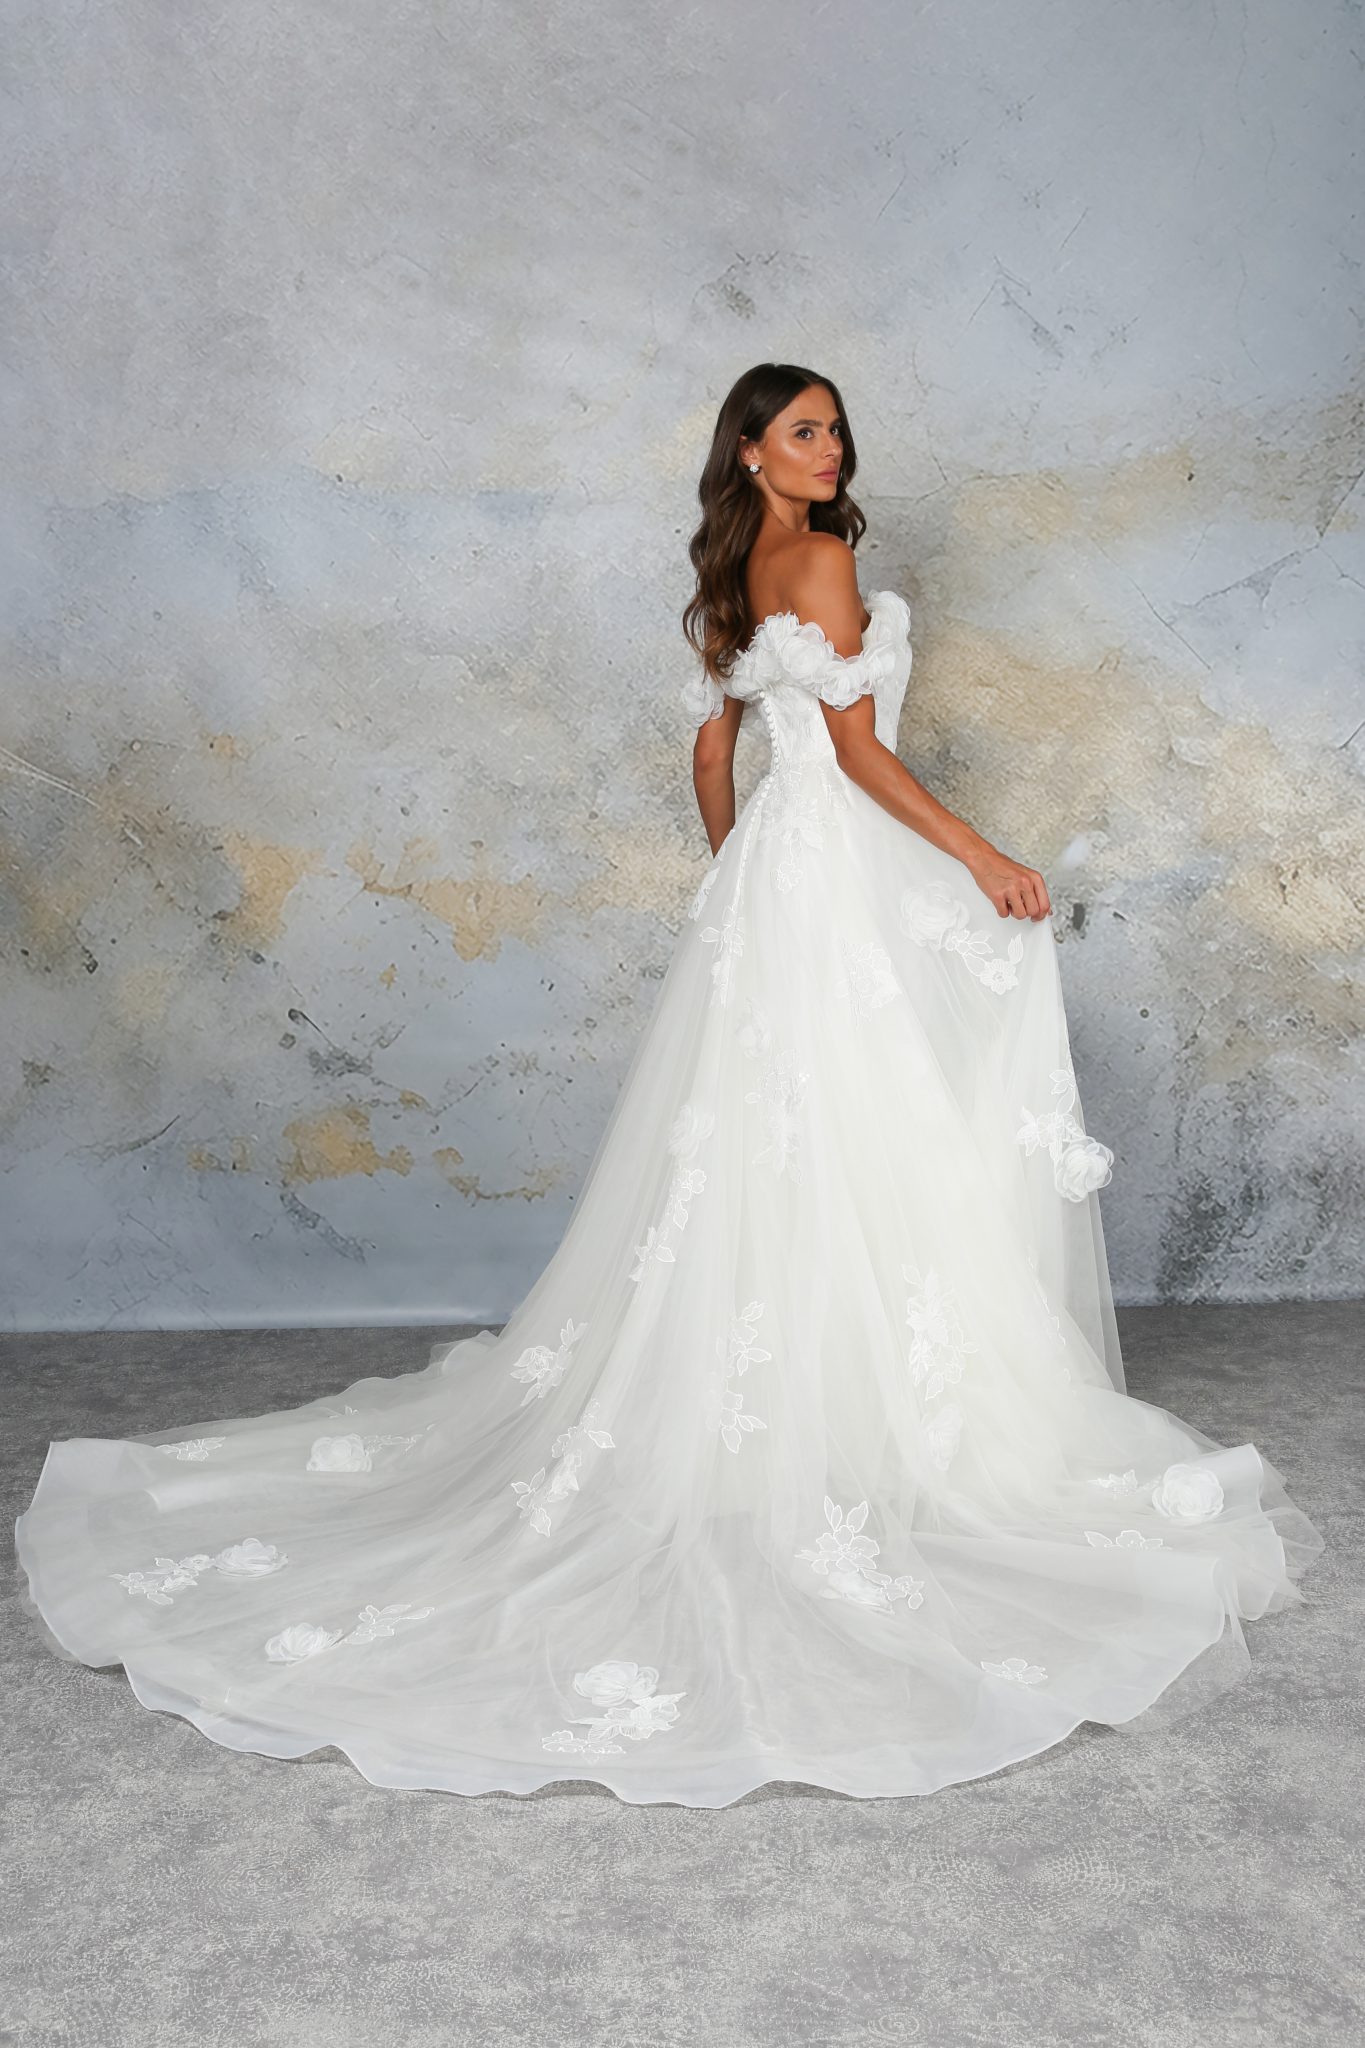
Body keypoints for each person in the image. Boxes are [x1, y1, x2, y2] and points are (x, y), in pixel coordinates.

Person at [14, 362, 1324, 1806]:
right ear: (751, 451)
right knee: (867, 1123)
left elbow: (715, 757)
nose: (831, 450)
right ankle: (867, 1413)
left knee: (774, 1141)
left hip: (777, 879)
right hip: (839, 867)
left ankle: (800, 1398)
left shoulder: (724, 584)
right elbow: (855, 755)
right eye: (804, 432)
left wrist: (745, 878)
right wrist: (982, 855)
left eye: (835, 430)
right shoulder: (816, 564)